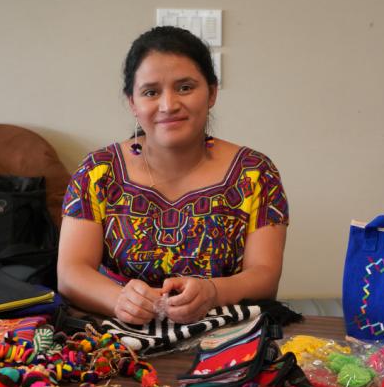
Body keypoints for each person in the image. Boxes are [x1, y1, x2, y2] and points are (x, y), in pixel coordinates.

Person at [58, 26, 288, 325]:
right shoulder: (98, 172)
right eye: (151, 92)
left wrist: (212, 292)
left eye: (185, 87)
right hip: (118, 340)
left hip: (225, 340)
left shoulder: (256, 174)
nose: (169, 105)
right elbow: (71, 272)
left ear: (212, 92)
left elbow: (265, 276)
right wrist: (119, 299)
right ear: (133, 103)